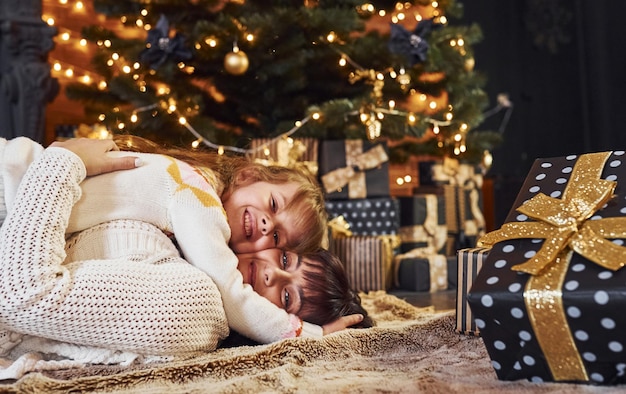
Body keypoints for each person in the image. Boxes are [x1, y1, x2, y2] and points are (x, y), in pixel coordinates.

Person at [0, 138, 366, 379]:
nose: (267, 226)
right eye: (285, 261)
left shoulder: (190, 292)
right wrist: (305, 334)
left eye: (278, 238)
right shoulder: (200, 198)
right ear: (249, 176)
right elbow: (230, 289)